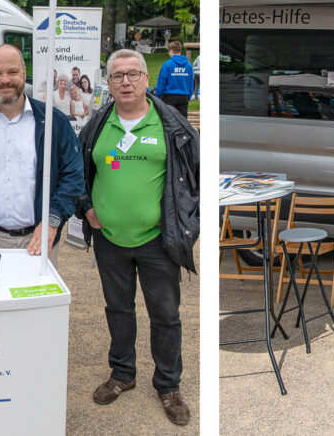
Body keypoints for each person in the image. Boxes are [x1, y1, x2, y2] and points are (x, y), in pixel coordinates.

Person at [76, 49, 199, 426]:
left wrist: (181, 220)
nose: (125, 82)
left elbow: (196, 178)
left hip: (156, 241)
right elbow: (77, 172)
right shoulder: (96, 125)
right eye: (117, 76)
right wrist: (86, 207)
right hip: (110, 239)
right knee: (118, 308)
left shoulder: (173, 125)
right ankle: (122, 374)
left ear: (147, 79)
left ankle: (168, 384)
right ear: (108, 83)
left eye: (133, 74)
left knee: (165, 314)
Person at [0, 45, 84, 266]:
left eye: (12, 72)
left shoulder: (53, 121)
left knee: (36, 300)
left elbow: (73, 175)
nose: (5, 79)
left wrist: (53, 220)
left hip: (38, 238)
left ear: (24, 73)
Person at [154, 40, 194, 117]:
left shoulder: (167, 64)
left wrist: (158, 96)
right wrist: (189, 96)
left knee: (169, 119)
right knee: (182, 120)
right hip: (184, 96)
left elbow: (161, 82)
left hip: (170, 96)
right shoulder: (188, 65)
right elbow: (191, 83)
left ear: (171, 50)